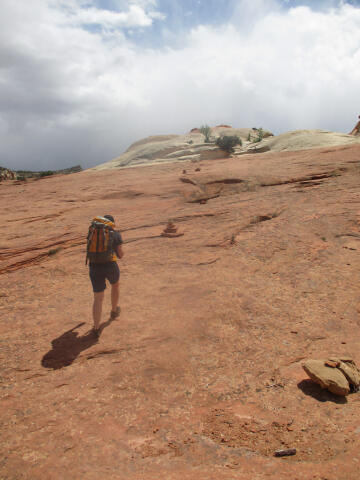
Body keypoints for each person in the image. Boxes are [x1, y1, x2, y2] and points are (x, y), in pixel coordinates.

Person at [88, 214, 124, 337]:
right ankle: (114, 311)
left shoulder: (93, 232)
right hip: (110, 265)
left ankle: (96, 328)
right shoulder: (115, 233)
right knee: (115, 285)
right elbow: (120, 254)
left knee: (98, 297)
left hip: (94, 266)